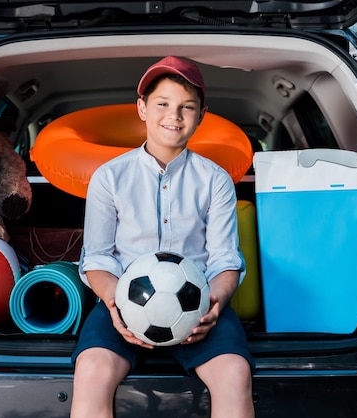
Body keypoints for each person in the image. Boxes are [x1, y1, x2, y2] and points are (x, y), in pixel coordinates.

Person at [70, 56, 255, 418]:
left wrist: (215, 303)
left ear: (202, 115)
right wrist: (112, 303)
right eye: (163, 104)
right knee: (92, 369)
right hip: (123, 305)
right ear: (142, 108)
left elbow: (224, 258)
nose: (175, 115)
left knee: (235, 373)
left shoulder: (215, 179)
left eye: (187, 107)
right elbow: (97, 257)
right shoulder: (109, 177)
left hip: (199, 306)